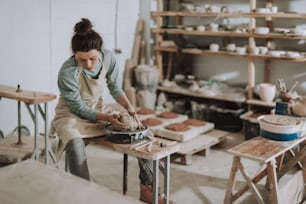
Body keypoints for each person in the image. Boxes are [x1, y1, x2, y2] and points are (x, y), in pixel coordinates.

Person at [51, 18, 173, 204]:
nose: (89, 64)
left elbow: (115, 88)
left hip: (98, 108)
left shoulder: (108, 58)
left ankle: (147, 189)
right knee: (74, 144)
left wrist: (130, 107)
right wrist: (107, 117)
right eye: (82, 60)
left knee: (143, 132)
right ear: (75, 55)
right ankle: (84, 195)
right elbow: (78, 107)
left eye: (92, 58)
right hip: (70, 114)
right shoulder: (67, 72)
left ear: (99, 52)